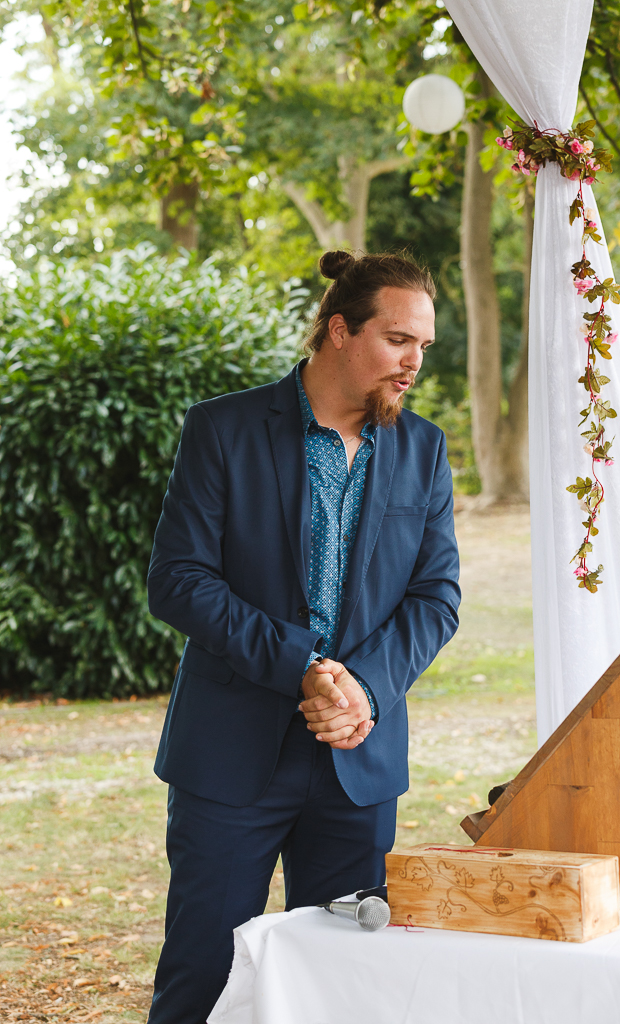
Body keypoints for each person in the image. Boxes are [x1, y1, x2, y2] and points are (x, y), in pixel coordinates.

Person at [145, 249, 461, 1024]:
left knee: (342, 990)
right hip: (228, 759)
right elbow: (179, 579)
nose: (413, 362)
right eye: (397, 340)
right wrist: (305, 667)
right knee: (204, 978)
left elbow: (436, 597)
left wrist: (360, 688)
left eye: (423, 346)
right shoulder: (221, 428)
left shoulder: (423, 449)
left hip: (358, 763)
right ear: (338, 331)